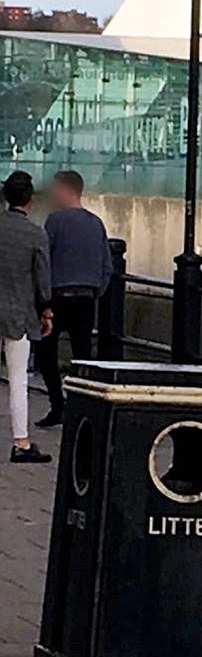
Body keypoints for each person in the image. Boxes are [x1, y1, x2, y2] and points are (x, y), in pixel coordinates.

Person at [36, 170, 113, 427]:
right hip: (86, 297)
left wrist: (44, 299)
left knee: (46, 353)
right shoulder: (96, 223)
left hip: (58, 296)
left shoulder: (54, 222)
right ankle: (82, 409)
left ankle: (57, 405)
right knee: (83, 355)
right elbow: (107, 266)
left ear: (65, 190)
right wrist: (95, 291)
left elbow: (44, 261)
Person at [0, 172, 53, 463]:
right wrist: (46, 310)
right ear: (30, 200)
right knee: (18, 379)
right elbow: (43, 281)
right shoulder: (35, 234)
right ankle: (21, 443)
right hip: (20, 313)